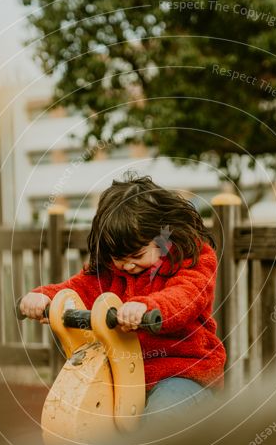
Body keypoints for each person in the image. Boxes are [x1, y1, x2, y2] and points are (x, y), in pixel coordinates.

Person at [18, 174, 226, 423]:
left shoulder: (192, 260)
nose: (127, 265)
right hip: (123, 374)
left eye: (137, 255)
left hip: (182, 371)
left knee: (160, 420)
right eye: (118, 258)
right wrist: (44, 297)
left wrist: (148, 307)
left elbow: (186, 296)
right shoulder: (110, 270)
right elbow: (79, 286)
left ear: (163, 236)